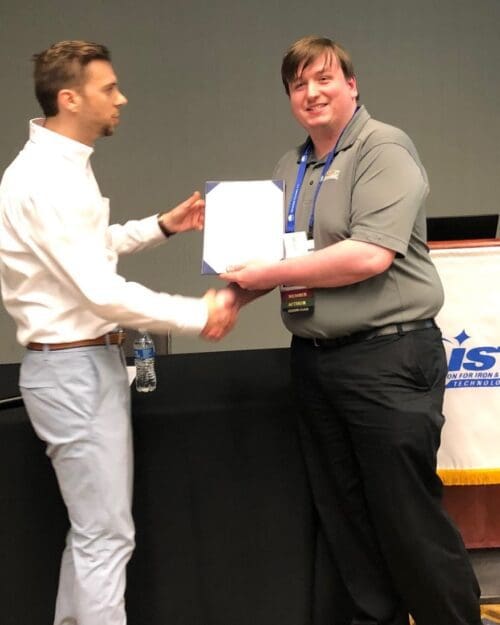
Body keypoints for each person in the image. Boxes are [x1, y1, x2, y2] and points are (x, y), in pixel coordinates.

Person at [220, 36, 482, 625]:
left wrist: (266, 272)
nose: (311, 93)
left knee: (407, 521)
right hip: (315, 360)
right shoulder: (291, 167)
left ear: (352, 84)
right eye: (297, 85)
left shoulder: (382, 147)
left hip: (387, 359)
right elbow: (276, 259)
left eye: (324, 79)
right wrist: (229, 296)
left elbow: (369, 256)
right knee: (348, 524)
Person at [0, 40, 234, 625]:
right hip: (73, 372)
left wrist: (161, 226)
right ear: (69, 97)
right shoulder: (45, 180)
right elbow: (98, 291)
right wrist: (197, 313)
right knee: (105, 539)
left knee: (95, 536)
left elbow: (90, 252)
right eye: (109, 88)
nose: (121, 98)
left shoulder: (61, 168)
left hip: (81, 368)